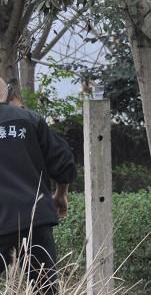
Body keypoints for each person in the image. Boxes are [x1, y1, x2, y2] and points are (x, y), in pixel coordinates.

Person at [0, 78, 76, 293]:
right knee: (45, 288)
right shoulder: (30, 120)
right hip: (35, 219)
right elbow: (63, 161)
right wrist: (60, 194)